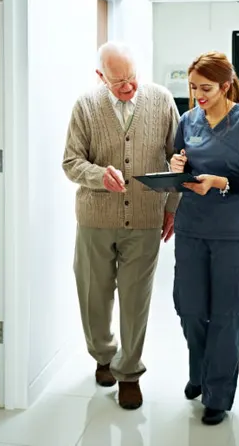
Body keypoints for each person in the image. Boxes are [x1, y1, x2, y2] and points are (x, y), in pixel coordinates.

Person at [61, 41, 180, 410]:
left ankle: (129, 373)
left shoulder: (162, 101)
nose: (128, 87)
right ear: (100, 76)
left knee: (135, 299)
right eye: (118, 82)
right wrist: (99, 175)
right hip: (95, 220)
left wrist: (172, 206)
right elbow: (71, 161)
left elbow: (179, 158)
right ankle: (102, 356)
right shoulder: (85, 106)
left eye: (132, 78)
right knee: (94, 294)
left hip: (145, 218)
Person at [169, 51, 239, 426]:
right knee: (189, 308)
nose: (198, 95)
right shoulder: (187, 121)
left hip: (233, 233)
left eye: (206, 88)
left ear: (226, 86)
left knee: (226, 315)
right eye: (193, 87)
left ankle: (217, 395)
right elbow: (181, 168)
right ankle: (201, 371)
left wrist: (218, 182)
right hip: (192, 228)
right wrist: (176, 167)